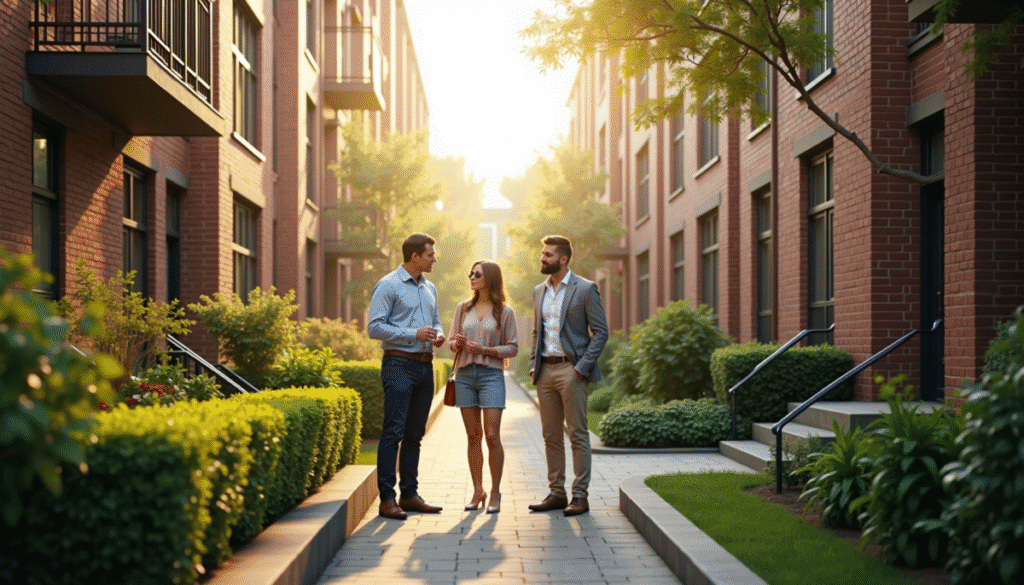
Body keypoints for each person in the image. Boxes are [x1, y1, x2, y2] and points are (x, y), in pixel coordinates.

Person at [527, 235, 608, 517]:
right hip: (545, 370)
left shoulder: (585, 289)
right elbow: (537, 331)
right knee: (550, 435)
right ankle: (557, 493)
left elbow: (601, 332)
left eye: (547, 255)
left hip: (571, 370)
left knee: (577, 434)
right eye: (542, 253)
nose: (542, 258)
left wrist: (580, 368)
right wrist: (532, 363)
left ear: (562, 259)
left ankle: (580, 496)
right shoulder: (539, 291)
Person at [367, 233, 447, 520]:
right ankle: (387, 499)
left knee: (415, 434)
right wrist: (412, 334)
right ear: (415, 257)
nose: (434, 259)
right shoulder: (388, 285)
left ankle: (409, 495)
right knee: (393, 432)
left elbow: (435, 321)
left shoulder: (430, 289)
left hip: (425, 367)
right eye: (430, 255)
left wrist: (437, 334)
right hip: (398, 365)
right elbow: (374, 327)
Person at [447, 260, 518, 514]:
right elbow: (451, 342)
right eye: (470, 273)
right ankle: (478, 490)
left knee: (491, 435)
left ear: (489, 278)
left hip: (491, 376)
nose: (472, 277)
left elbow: (513, 347)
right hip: (465, 375)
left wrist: (486, 350)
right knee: (473, 436)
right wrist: (456, 343)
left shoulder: (504, 311)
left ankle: (495, 492)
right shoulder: (462, 308)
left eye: (477, 274)